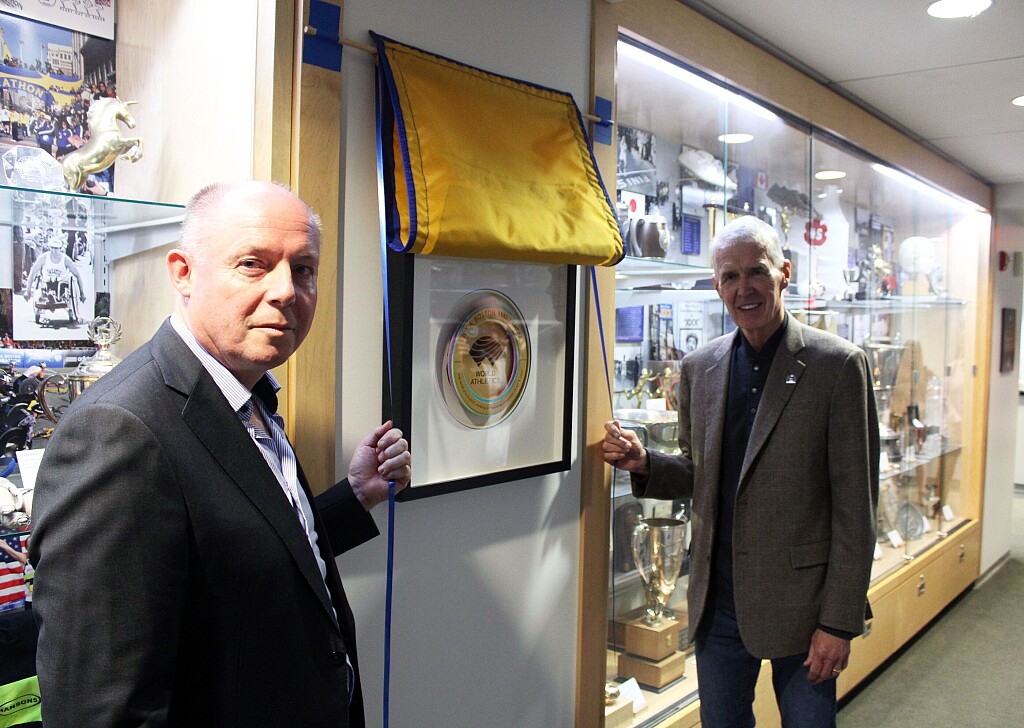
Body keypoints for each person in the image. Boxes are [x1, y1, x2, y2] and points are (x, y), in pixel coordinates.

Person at [29, 181, 412, 728]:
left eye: (303, 269)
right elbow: (100, 708)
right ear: (183, 273)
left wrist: (354, 498)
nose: (286, 291)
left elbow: (235, 554)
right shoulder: (118, 430)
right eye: (253, 264)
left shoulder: (247, 394)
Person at [603, 215, 878, 727]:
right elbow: (700, 474)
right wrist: (646, 464)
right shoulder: (699, 368)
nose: (743, 288)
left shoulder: (838, 366)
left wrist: (839, 623)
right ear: (717, 285)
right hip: (720, 604)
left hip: (804, 607)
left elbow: (856, 509)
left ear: (784, 274)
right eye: (730, 276)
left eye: (756, 272)